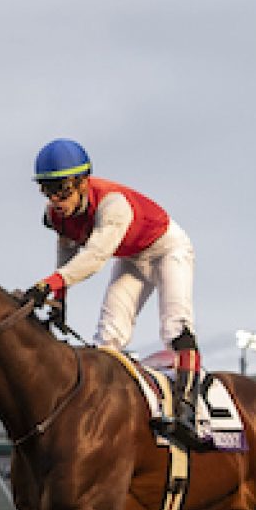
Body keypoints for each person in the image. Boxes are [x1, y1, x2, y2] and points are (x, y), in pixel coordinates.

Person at [25, 138, 208, 450]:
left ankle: (188, 411)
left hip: (167, 248)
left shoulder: (113, 205)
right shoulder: (56, 214)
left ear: (83, 182)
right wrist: (60, 298)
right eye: (47, 189)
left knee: (175, 328)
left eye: (62, 189)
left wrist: (50, 284)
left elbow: (94, 257)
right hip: (133, 255)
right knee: (107, 338)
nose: (56, 199)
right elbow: (67, 246)